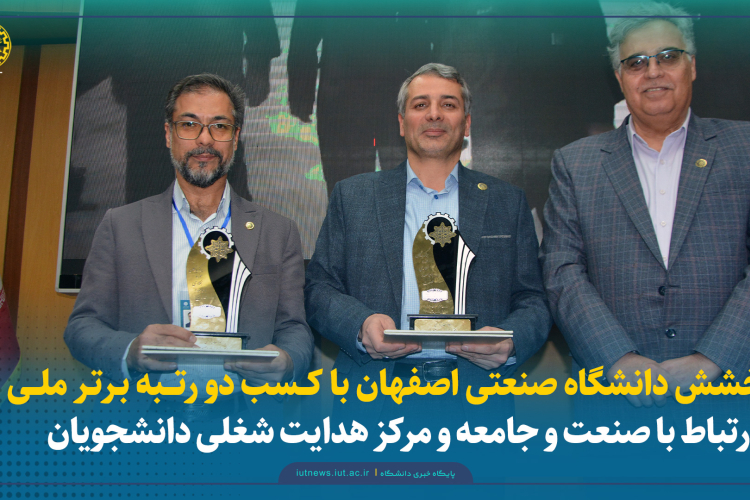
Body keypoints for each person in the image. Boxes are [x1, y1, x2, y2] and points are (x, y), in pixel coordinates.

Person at [305, 63, 551, 419]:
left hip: (479, 399)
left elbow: (533, 299)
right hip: (373, 398)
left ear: (467, 124)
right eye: (421, 105)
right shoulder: (353, 196)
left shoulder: (507, 201)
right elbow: (319, 288)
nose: (434, 114)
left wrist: (512, 339)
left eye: (448, 104)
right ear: (402, 123)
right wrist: (360, 325)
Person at [540, 2, 750, 410]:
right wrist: (618, 360)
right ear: (620, 77)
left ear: (692, 66)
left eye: (668, 57)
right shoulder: (575, 163)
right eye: (635, 62)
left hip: (731, 393)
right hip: (612, 400)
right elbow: (561, 270)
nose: (652, 71)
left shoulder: (743, 148)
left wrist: (712, 359)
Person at [65, 74, 313, 393]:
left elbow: (294, 328)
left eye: (219, 126)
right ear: (169, 134)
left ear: (235, 137)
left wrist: (288, 362)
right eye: (189, 124)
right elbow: (81, 327)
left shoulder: (278, 232)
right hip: (146, 412)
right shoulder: (121, 225)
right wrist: (130, 351)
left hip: (245, 412)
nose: (204, 139)